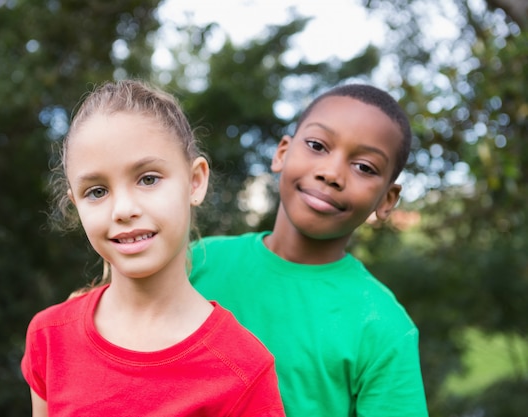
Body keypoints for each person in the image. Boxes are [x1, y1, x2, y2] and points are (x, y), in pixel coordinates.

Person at [21, 80, 285, 417]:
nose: (123, 209)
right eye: (97, 191)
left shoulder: (244, 368)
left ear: (195, 181)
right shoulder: (49, 337)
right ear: (75, 205)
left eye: (148, 179)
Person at [190, 84, 429, 417]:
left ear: (387, 200)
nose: (331, 173)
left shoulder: (383, 328)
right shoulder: (195, 264)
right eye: (317, 146)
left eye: (364, 167)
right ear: (282, 153)